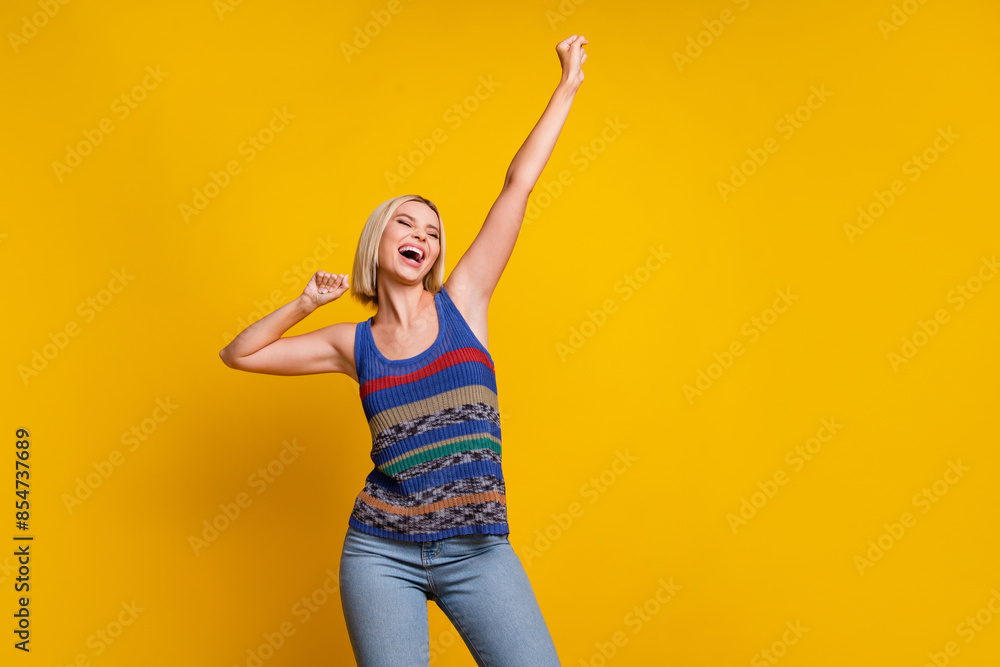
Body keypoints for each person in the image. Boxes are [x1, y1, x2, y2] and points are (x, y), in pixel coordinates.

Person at [219, 33, 588, 667]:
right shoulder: (349, 343)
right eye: (406, 223)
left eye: (434, 231)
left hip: (478, 550)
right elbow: (242, 354)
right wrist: (305, 304)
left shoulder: (465, 303)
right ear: (379, 241)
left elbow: (517, 184)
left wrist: (567, 85)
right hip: (379, 552)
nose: (423, 235)